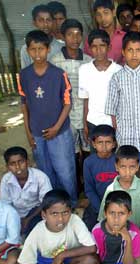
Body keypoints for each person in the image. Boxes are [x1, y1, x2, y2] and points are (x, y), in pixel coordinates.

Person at [18, 30, 78, 207]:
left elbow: (67, 103)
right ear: (27, 51)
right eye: (33, 49)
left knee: (65, 170)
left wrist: (57, 127)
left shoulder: (58, 74)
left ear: (48, 49)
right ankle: (52, 204)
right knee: (45, 171)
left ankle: (71, 203)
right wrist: (28, 132)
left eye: (41, 49)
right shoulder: (24, 75)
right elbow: (24, 104)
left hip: (59, 132)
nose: (37, 54)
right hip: (37, 132)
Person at [2, 189, 98, 264]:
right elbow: (22, 263)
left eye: (65, 213)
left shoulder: (74, 220)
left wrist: (62, 255)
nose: (61, 219)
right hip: (45, 262)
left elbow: (92, 248)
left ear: (70, 211)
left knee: (90, 260)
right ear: (44, 215)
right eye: (54, 214)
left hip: (70, 259)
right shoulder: (38, 230)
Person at [105, 31, 140, 185]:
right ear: (123, 52)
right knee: (128, 168)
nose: (134, 54)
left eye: (138, 50)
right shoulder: (117, 78)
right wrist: (118, 129)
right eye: (130, 50)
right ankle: (131, 198)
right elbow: (112, 109)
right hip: (126, 135)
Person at [51, 19, 92, 194]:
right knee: (72, 154)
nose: (75, 39)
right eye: (70, 34)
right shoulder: (55, 61)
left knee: (88, 151)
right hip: (66, 115)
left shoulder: (89, 61)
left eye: (78, 34)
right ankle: (77, 186)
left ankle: (88, 182)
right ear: (63, 36)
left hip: (86, 113)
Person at [80, 191, 140, 264]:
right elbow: (94, 256)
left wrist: (127, 239)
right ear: (105, 213)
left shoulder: (134, 233)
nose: (116, 219)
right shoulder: (97, 230)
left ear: (129, 214)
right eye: (112, 213)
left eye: (121, 213)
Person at [98, 145, 140, 233]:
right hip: (116, 235)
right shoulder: (111, 189)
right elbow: (104, 217)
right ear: (116, 167)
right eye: (123, 167)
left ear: (138, 167)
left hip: (139, 234)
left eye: (132, 167)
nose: (127, 172)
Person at [79, 29, 122, 140]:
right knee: (97, 155)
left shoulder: (119, 70)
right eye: (94, 46)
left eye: (102, 46)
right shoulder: (84, 70)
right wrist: (85, 123)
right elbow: (86, 99)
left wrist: (119, 123)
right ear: (89, 48)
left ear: (109, 47)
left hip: (114, 123)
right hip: (93, 122)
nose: (98, 50)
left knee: (114, 155)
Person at [0, 146, 52, 236]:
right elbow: (6, 205)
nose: (17, 167)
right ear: (7, 167)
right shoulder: (6, 180)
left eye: (21, 162)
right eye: (12, 164)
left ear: (27, 162)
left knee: (36, 229)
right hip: (16, 214)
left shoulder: (40, 177)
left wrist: (27, 219)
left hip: (36, 211)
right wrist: (16, 220)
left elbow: (46, 202)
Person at [83, 125, 117, 230]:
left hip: (118, 202)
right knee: (91, 228)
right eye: (100, 142)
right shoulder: (89, 162)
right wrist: (101, 209)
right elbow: (89, 189)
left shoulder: (119, 160)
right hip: (98, 202)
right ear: (94, 144)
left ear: (114, 144)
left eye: (108, 142)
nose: (104, 146)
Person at [20, 4, 63, 69]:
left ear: (53, 22)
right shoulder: (26, 49)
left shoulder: (62, 48)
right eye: (41, 20)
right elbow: (25, 75)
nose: (45, 24)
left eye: (48, 20)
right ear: (34, 23)